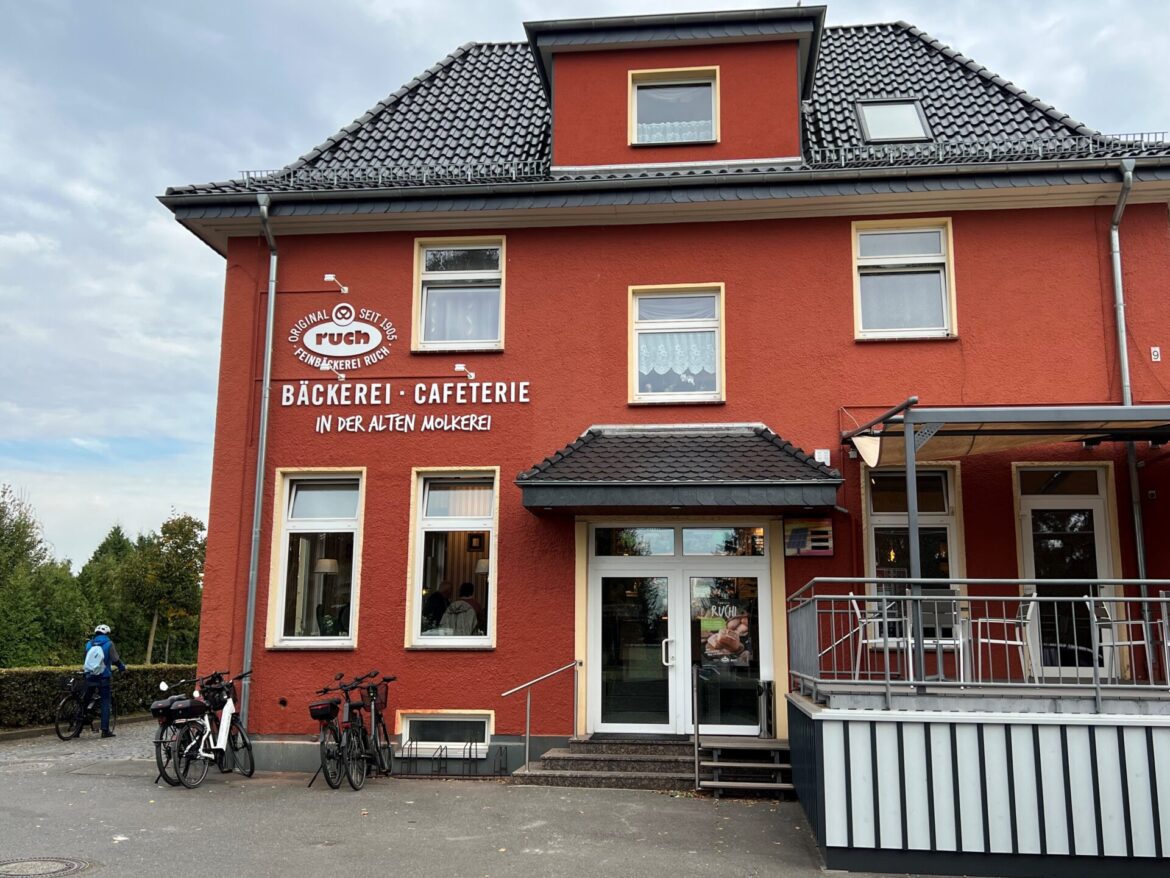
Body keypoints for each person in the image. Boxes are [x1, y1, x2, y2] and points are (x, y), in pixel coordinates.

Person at [84, 624, 126, 738]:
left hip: (89, 676)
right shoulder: (109, 644)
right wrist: (122, 667)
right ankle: (105, 730)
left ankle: (78, 727)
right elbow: (115, 660)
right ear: (107, 634)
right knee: (105, 703)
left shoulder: (89, 644)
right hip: (103, 677)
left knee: (85, 700)